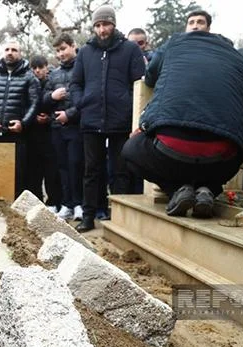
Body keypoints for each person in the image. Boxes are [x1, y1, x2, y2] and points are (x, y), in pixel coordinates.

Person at [121, 30, 243, 218]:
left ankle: (178, 190)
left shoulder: (174, 45)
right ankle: (207, 190)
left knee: (130, 151)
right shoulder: (242, 60)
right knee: (232, 147)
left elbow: (150, 77)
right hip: (223, 159)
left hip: (169, 151)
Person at [70, 5, 146, 232]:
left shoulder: (130, 49)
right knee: (91, 171)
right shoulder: (85, 52)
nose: (102, 29)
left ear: (114, 24)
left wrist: (129, 107)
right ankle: (88, 215)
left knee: (120, 170)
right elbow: (75, 83)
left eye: (106, 24)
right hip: (91, 120)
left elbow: (139, 83)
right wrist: (81, 102)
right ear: (94, 27)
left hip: (120, 121)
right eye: (98, 25)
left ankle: (120, 219)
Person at [0, 40, 40, 197]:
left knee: (17, 173)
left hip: (17, 134)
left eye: (14, 50)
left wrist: (24, 123)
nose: (10, 52)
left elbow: (35, 103)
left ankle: (15, 209)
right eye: (7, 49)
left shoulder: (29, 77)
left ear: (20, 54)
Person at [44, 34, 84, 222]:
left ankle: (79, 204)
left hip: (76, 125)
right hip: (56, 127)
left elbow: (87, 98)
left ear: (73, 46)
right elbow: (43, 100)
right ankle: (67, 204)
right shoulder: (53, 74)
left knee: (76, 164)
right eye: (57, 50)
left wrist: (70, 114)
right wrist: (52, 97)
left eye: (63, 49)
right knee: (62, 167)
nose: (61, 53)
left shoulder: (82, 68)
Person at [26, 55, 62, 214]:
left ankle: (54, 201)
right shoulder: (28, 82)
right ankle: (36, 200)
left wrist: (49, 118)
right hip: (32, 132)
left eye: (40, 67)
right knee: (34, 170)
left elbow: (58, 102)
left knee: (51, 170)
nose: (37, 71)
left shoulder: (53, 82)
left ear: (47, 67)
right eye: (34, 68)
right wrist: (32, 117)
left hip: (50, 132)